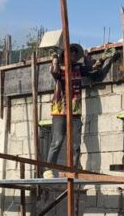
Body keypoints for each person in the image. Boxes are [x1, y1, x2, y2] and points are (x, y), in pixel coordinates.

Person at [45, 43, 116, 176]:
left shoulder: (78, 68)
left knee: (75, 144)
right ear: (64, 56)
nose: (72, 55)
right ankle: (48, 169)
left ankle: (73, 169)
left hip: (75, 111)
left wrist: (104, 58)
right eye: (70, 53)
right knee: (57, 141)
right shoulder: (59, 68)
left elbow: (92, 68)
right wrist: (54, 57)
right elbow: (54, 72)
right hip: (60, 110)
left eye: (74, 54)